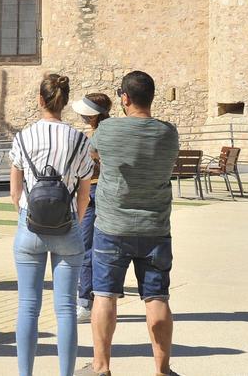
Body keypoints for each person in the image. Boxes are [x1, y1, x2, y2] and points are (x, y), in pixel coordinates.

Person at [88, 71, 179, 376]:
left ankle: (101, 366)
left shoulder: (108, 129)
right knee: (157, 297)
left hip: (112, 226)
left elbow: (95, 154)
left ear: (124, 98)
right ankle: (162, 369)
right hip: (155, 227)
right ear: (152, 97)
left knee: (104, 294)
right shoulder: (168, 133)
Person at [9, 74, 95, 376]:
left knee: (28, 307)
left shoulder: (23, 137)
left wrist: (25, 214)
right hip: (68, 224)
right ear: (64, 102)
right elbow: (84, 195)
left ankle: (25, 373)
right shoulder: (81, 141)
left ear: (40, 100)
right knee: (66, 310)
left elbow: (15, 192)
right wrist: (76, 219)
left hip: (30, 226)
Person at [71, 92, 112, 324]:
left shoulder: (97, 137)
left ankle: (85, 301)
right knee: (101, 247)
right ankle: (100, 295)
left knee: (86, 247)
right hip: (104, 193)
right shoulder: (109, 132)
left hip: (93, 192)